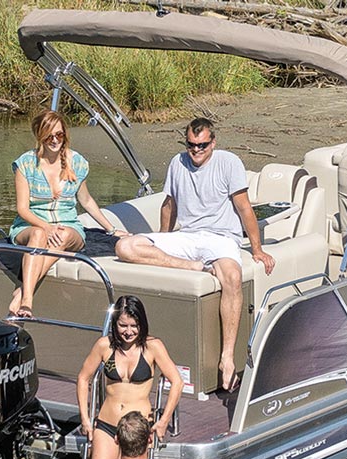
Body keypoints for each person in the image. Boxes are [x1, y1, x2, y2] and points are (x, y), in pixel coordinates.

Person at [115, 117, 275, 390]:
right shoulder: (177, 163)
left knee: (232, 277)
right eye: (191, 145)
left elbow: (244, 208)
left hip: (221, 237)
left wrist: (257, 250)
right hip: (187, 238)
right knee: (125, 246)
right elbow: (169, 204)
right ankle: (190, 266)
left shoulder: (228, 162)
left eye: (202, 145)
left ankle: (226, 358)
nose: (196, 151)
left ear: (213, 142)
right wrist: (162, 239)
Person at [8, 110, 126, 318]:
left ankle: (22, 293)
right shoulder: (25, 164)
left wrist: (112, 229)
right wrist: (45, 227)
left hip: (67, 225)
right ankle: (28, 299)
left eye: (59, 135)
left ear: (65, 135)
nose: (55, 141)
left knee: (62, 234)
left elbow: (86, 200)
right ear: (39, 136)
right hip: (31, 224)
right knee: (38, 235)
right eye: (49, 136)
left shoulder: (77, 163)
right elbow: (22, 209)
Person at [76, 295, 183, 459]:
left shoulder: (152, 346)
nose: (128, 331)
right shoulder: (105, 345)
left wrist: (164, 421)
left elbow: (177, 382)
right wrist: (85, 419)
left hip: (137, 429)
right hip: (106, 425)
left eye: (134, 326)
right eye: (123, 325)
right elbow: (83, 378)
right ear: (115, 323)